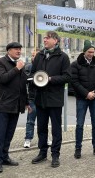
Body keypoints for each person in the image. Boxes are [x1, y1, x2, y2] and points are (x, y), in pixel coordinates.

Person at [29, 31, 71, 168]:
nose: (45, 40)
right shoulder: (39, 56)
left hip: (54, 99)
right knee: (41, 127)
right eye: (45, 38)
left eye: (48, 38)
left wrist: (50, 79)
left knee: (56, 129)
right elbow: (32, 75)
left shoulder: (63, 57)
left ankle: (55, 154)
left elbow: (67, 77)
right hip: (41, 98)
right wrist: (33, 88)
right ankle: (42, 152)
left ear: (56, 41)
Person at [0, 42, 29, 173]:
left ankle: (5, 156)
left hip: (15, 105)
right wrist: (17, 69)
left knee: (9, 134)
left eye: (20, 49)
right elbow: (2, 78)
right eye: (16, 49)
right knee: (0, 135)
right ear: (8, 51)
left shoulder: (20, 65)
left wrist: (26, 102)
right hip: (2, 105)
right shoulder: (0, 63)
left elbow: (22, 85)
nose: (19, 51)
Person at [70, 40, 95, 159]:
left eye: (93, 52)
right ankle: (78, 148)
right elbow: (74, 82)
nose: (91, 54)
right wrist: (86, 93)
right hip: (82, 98)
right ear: (84, 51)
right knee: (79, 124)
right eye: (89, 52)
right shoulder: (76, 64)